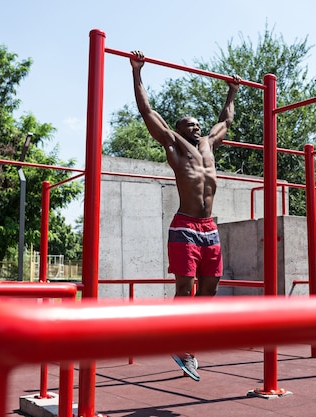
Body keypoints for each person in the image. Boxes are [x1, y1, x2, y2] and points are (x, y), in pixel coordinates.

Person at [130, 50, 241, 381]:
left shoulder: (208, 143)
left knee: (211, 288)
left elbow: (227, 120)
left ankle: (187, 337)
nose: (193, 126)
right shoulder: (173, 145)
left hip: (210, 228)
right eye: (187, 124)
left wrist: (232, 90)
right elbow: (147, 111)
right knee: (185, 287)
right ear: (177, 130)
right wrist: (137, 72)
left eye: (196, 123)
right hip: (185, 226)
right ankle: (181, 343)